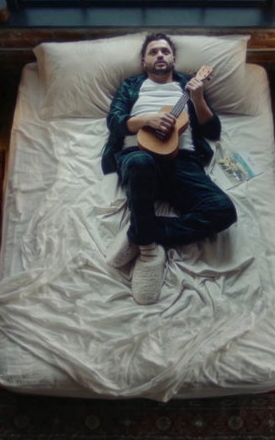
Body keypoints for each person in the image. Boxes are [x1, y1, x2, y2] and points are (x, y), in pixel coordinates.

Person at [101, 33, 237, 305]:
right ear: (144, 61)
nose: (160, 55)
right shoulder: (132, 85)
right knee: (140, 164)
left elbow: (213, 131)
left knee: (223, 211)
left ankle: (141, 231)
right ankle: (149, 252)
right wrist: (146, 119)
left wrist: (198, 98)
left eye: (165, 51)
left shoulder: (188, 85)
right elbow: (114, 122)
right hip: (138, 156)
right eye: (153, 52)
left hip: (182, 161)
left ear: (174, 58)